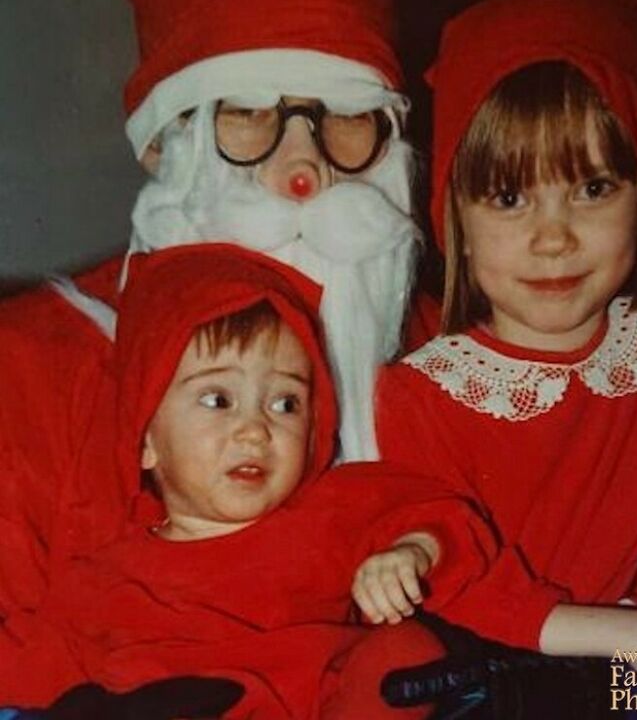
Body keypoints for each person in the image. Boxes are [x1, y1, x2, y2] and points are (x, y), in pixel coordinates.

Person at [0, 0, 433, 624]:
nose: (304, 172)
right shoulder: (27, 371)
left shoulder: (455, 362)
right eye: (249, 115)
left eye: (348, 118)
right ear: (165, 145)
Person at [376, 0, 637, 717]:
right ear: (452, 215)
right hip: (515, 678)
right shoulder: (422, 395)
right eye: (510, 196)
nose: (553, 239)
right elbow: (453, 580)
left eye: (592, 189)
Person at [0, 243, 500, 719]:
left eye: (285, 404)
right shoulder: (103, 576)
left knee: (407, 651)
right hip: (171, 704)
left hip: (322, 702)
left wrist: (409, 552)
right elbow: (30, 668)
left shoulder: (327, 514)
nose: (255, 430)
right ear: (145, 442)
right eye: (218, 400)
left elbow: (450, 518)